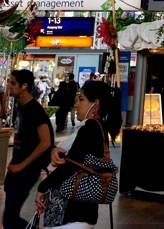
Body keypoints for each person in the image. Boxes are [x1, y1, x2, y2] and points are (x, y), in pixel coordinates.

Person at [34, 80, 116, 226]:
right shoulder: (99, 127)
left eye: (81, 99)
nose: (76, 104)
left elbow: (71, 164)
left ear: (95, 103)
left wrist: (43, 187)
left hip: (70, 211)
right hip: (81, 209)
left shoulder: (90, 128)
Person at [2, 70, 53, 229]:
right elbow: (22, 139)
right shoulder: (20, 106)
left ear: (24, 86)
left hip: (27, 171)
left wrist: (21, 165)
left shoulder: (34, 110)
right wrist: (14, 161)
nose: (9, 86)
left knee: (10, 219)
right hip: (17, 169)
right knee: (10, 216)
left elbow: (45, 142)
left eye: (13, 83)